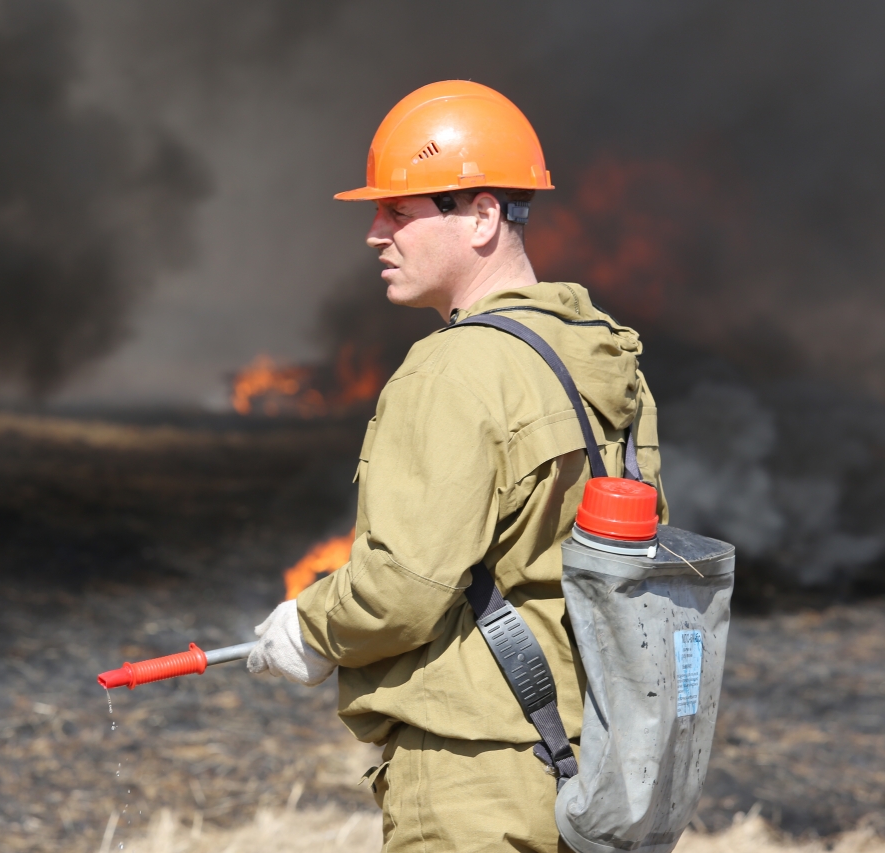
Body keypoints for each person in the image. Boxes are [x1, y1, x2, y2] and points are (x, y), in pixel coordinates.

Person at [248, 80, 669, 853]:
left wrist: (308, 628)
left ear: (481, 215)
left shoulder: (453, 369)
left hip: (477, 784)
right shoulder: (604, 355)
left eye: (399, 212)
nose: (376, 234)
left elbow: (401, 590)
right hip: (596, 768)